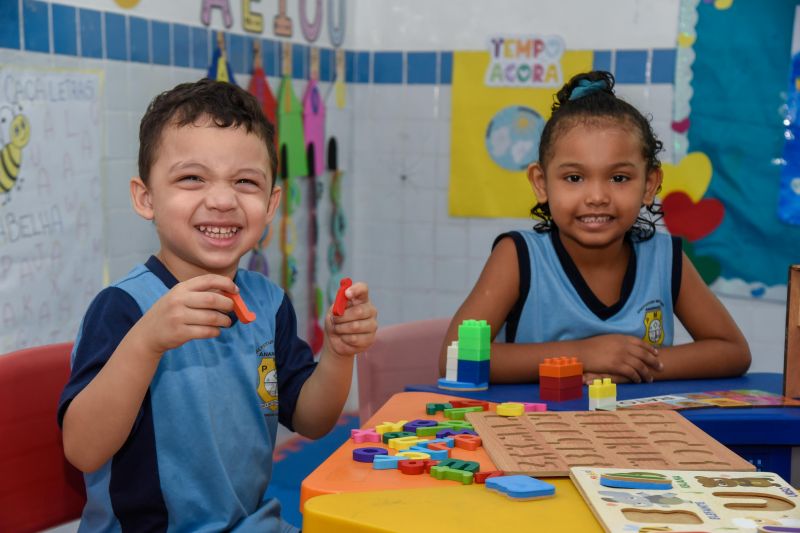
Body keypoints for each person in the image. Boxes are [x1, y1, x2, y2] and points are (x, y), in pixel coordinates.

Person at [58, 79, 377, 531]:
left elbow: (312, 419)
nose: (223, 200)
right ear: (146, 197)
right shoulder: (123, 308)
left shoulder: (267, 303)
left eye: (246, 182)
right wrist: (146, 343)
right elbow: (83, 449)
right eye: (192, 178)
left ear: (271, 204)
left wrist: (340, 354)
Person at [439, 71, 750, 385]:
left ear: (649, 184)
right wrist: (582, 355)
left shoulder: (665, 258)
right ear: (541, 183)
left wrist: (630, 366)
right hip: (537, 431)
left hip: (639, 432)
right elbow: (455, 357)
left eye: (619, 178)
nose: (597, 197)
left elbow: (733, 351)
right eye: (574, 178)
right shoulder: (518, 258)